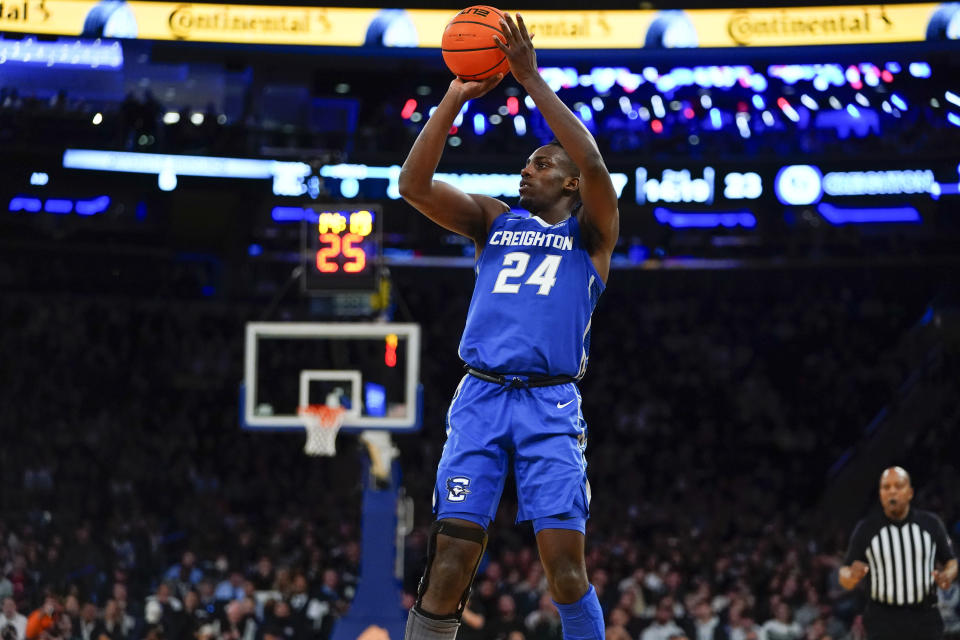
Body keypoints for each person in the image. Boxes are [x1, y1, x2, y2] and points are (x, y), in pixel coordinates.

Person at [398, 11, 619, 640]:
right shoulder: (492, 220)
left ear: (571, 182)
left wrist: (531, 79)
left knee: (565, 571)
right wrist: (454, 94)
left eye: (543, 164)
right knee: (450, 560)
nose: (528, 169)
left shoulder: (592, 233)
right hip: (482, 396)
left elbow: (597, 164)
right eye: (527, 162)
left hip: (550, 403)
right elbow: (412, 184)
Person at [838, 466, 958, 640]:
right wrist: (850, 577)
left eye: (898, 486)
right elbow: (845, 571)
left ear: (910, 492)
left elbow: (951, 561)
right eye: (886, 487)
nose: (892, 491)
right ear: (880, 494)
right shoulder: (867, 529)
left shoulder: (930, 524)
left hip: (924, 620)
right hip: (883, 622)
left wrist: (947, 575)